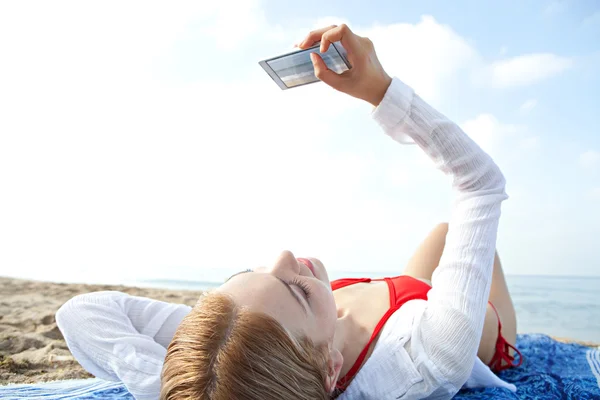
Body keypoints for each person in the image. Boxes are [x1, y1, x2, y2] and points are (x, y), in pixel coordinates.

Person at [56, 24, 522, 400]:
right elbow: (479, 185)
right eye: (298, 292)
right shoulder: (431, 357)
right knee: (451, 231)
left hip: (399, 299)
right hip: (485, 326)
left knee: (442, 232)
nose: (284, 257)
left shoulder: (248, 346)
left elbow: (82, 312)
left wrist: (172, 387)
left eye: (249, 272)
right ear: (331, 370)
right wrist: (378, 89)